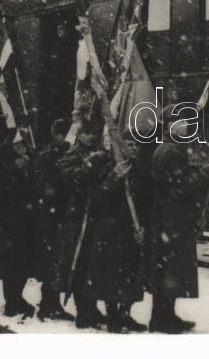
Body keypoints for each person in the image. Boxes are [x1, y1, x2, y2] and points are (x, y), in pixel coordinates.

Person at [146, 104, 209, 333]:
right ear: (170, 125)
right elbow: (182, 187)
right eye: (181, 121)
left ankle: (163, 315)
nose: (186, 125)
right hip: (173, 219)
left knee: (166, 268)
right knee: (172, 268)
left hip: (167, 218)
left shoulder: (166, 148)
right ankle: (162, 319)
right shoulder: (172, 151)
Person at [82, 130, 149, 333]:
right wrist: (114, 178)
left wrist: (144, 228)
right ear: (121, 146)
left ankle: (125, 314)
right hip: (110, 233)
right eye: (129, 144)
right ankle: (113, 318)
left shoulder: (141, 171)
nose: (134, 148)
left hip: (132, 232)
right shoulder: (109, 168)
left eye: (137, 145)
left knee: (131, 277)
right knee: (111, 279)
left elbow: (148, 203)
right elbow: (98, 198)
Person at [49, 117, 107, 329]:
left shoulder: (99, 153)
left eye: (93, 133)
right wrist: (92, 162)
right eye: (87, 133)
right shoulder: (71, 156)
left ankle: (91, 306)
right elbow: (76, 181)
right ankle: (83, 310)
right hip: (77, 217)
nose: (91, 137)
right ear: (78, 135)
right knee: (79, 264)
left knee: (93, 265)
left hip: (95, 215)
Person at [0, 129, 36, 318]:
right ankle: (11, 301)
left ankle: (17, 296)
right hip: (5, 219)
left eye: (24, 143)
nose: (22, 146)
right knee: (10, 262)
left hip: (25, 217)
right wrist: (15, 168)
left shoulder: (29, 156)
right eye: (18, 143)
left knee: (23, 261)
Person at [31, 118, 73, 321]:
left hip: (62, 214)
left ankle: (52, 301)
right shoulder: (48, 157)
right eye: (63, 135)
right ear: (56, 136)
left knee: (59, 260)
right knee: (51, 261)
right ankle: (48, 302)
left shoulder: (66, 155)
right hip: (50, 216)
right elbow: (44, 187)